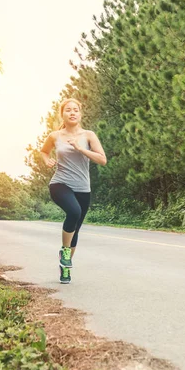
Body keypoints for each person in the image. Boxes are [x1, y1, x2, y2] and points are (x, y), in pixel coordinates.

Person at [40, 98, 107, 284]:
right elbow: (43, 151)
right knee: (74, 212)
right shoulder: (55, 136)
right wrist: (47, 161)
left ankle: (65, 267)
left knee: (75, 229)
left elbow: (102, 159)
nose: (72, 112)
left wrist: (80, 149)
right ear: (62, 114)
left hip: (83, 188)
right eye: (68, 110)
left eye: (75, 110)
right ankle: (65, 253)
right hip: (60, 184)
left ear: (80, 113)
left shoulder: (88, 135)